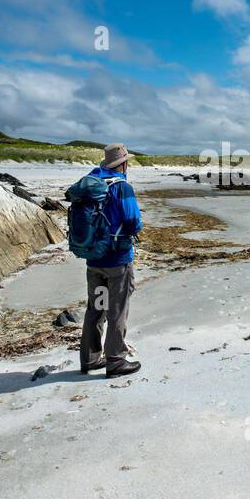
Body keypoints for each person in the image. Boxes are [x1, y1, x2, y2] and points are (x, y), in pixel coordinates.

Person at [79, 143, 142, 377]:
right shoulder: (121, 186)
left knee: (96, 307)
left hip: (94, 258)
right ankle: (115, 360)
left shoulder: (91, 182)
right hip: (118, 260)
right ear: (123, 164)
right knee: (117, 308)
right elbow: (133, 220)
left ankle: (89, 358)